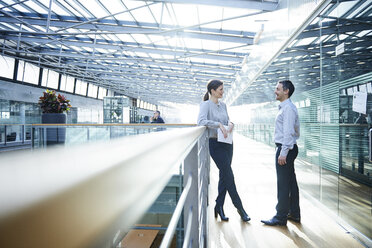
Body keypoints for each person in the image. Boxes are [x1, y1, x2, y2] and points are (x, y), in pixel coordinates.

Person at [197, 79, 250, 222]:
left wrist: (230, 124)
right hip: (215, 144)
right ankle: (240, 208)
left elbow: (227, 121)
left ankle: (218, 206)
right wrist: (218, 124)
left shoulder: (224, 105)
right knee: (229, 174)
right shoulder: (206, 105)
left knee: (224, 175)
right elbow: (201, 121)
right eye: (220, 89)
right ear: (212, 91)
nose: (223, 91)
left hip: (227, 143)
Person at [261, 80, 300, 226]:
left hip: (286, 149)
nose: (275, 91)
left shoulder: (288, 109)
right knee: (290, 183)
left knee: (283, 184)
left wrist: (283, 153)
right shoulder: (285, 107)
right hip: (287, 148)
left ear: (286, 91)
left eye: (277, 89)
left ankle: (280, 217)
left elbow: (288, 133)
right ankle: (294, 213)